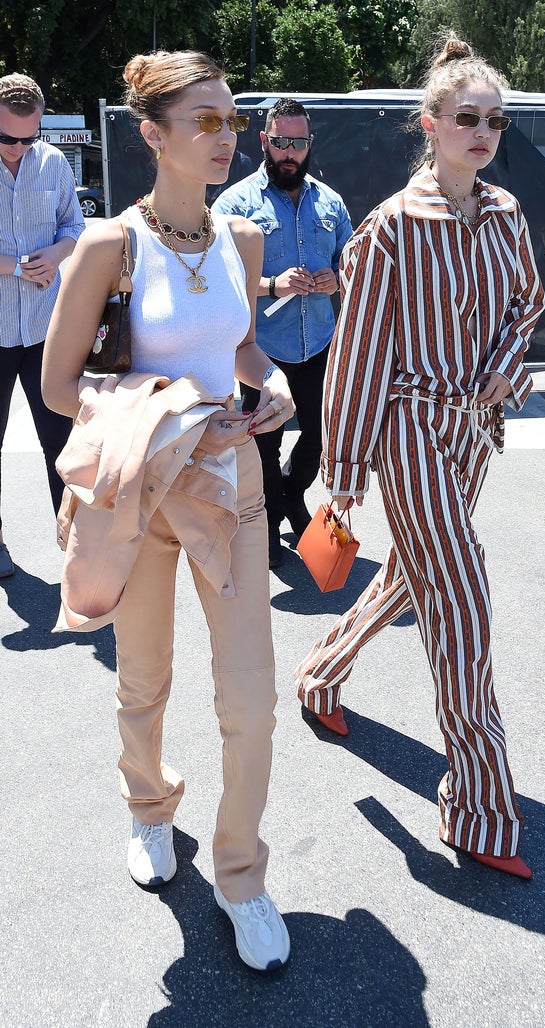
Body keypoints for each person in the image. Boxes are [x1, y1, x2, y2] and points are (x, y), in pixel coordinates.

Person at [42, 50, 294, 971]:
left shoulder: (244, 240)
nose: (229, 138)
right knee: (144, 680)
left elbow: (247, 352)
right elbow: (61, 386)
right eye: (208, 121)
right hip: (142, 496)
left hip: (233, 493)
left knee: (254, 704)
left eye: (234, 120)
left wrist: (273, 394)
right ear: (153, 134)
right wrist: (183, 423)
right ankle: (150, 806)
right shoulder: (110, 245)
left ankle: (241, 875)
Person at [295, 33, 545, 879]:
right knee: (462, 596)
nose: (482, 131)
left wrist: (506, 376)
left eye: (495, 120)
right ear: (430, 124)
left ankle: (322, 675)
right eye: (466, 117)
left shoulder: (507, 214)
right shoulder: (391, 228)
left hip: (474, 429)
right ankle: (479, 807)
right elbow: (359, 353)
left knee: (414, 576)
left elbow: (528, 307)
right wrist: (346, 472)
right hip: (406, 425)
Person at [212, 98, 352, 567]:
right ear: (264, 141)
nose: (288, 152)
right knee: (264, 442)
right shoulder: (235, 204)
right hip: (262, 349)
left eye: (297, 143)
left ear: (309, 144)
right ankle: (269, 524)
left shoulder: (330, 201)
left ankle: (292, 495)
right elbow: (218, 277)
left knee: (321, 436)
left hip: (319, 344)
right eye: (279, 142)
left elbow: (351, 262)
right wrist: (271, 284)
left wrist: (338, 277)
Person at [0, 73, 84, 578]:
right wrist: (13, 266)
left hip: (44, 329)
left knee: (64, 440)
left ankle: (77, 542)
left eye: (28, 138)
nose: (18, 148)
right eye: (7, 137)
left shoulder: (52, 162)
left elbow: (73, 227)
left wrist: (55, 253)